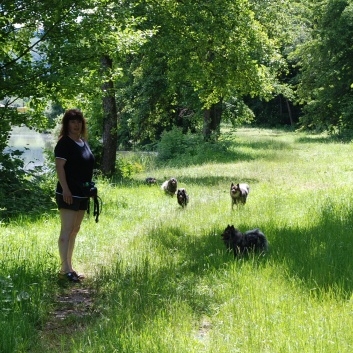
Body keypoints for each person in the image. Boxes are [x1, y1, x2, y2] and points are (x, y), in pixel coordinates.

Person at [54, 109, 95, 283]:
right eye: (72, 122)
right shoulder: (64, 143)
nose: (76, 124)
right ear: (66, 124)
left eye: (78, 121)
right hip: (68, 193)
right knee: (66, 230)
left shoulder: (82, 142)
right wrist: (66, 190)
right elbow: (60, 168)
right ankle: (64, 270)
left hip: (82, 193)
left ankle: (70, 267)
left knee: (75, 231)